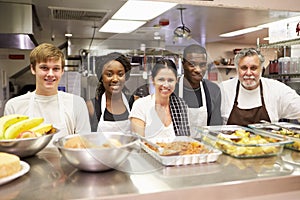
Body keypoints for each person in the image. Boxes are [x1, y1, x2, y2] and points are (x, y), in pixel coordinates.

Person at [4, 43, 91, 144]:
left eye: (56, 69)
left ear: (62, 71)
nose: (50, 74)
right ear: (33, 69)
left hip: (66, 159)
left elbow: (83, 144)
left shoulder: (76, 103)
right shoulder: (14, 105)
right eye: (44, 68)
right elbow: (10, 145)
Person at [220, 48, 300, 126]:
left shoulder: (276, 89)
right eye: (244, 68)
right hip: (230, 139)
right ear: (237, 70)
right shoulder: (223, 90)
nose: (248, 73)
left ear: (261, 69)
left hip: (267, 139)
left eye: (253, 68)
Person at [129, 58, 190, 138]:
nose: (166, 85)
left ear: (176, 81)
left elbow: (186, 141)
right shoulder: (140, 105)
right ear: (152, 80)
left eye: (170, 80)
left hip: (177, 150)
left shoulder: (181, 106)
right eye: (161, 80)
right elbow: (139, 142)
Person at [175, 44, 222, 127]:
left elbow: (216, 126)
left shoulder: (213, 90)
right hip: (177, 140)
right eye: (192, 64)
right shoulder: (172, 89)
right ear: (183, 65)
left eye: (202, 65)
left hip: (205, 139)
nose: (198, 70)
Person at [86, 52, 132, 133]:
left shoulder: (134, 103)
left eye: (120, 74)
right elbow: (86, 139)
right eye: (109, 74)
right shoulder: (91, 107)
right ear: (101, 78)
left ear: (125, 77)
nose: (115, 79)